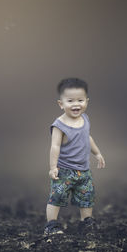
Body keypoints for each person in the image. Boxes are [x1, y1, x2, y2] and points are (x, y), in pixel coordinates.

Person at [44, 78, 106, 236]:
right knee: (56, 197)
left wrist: (97, 153)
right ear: (61, 104)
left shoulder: (85, 119)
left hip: (83, 171)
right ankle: (51, 225)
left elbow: (88, 138)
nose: (76, 104)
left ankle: (87, 222)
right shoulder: (59, 125)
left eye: (80, 100)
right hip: (64, 171)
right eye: (70, 101)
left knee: (87, 197)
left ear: (87, 101)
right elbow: (55, 146)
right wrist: (53, 168)